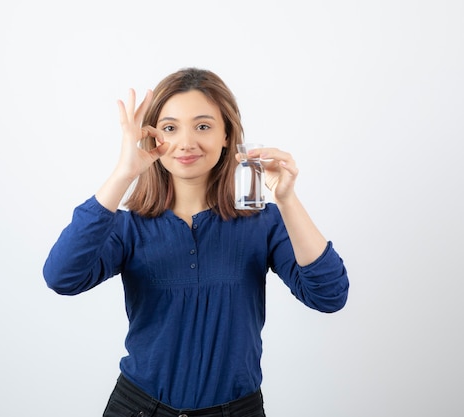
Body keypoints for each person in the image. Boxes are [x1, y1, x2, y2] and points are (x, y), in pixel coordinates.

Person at [43, 67, 349, 417]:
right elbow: (61, 278)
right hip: (139, 408)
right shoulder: (128, 228)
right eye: (170, 128)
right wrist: (124, 173)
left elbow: (329, 296)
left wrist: (288, 201)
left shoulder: (261, 223)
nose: (187, 142)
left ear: (226, 135)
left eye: (203, 126)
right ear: (153, 137)